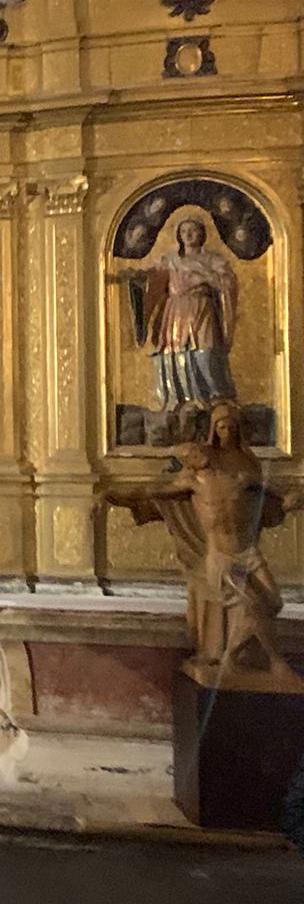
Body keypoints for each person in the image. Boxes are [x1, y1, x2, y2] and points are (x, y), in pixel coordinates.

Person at [105, 400, 301, 694]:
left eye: (231, 426)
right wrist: (113, 494)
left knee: (273, 602)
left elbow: (263, 489)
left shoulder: (244, 465)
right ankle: (275, 663)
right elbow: (149, 490)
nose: (226, 432)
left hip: (248, 552)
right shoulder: (192, 480)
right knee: (250, 605)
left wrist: (290, 498)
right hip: (221, 556)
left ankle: (232, 658)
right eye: (221, 426)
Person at [143, 216, 237, 413]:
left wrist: (204, 276)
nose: (188, 235)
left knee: (206, 352)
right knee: (176, 353)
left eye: (193, 230)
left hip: (202, 307)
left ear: (202, 234)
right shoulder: (170, 260)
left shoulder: (212, 260)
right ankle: (180, 398)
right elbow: (152, 280)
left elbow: (226, 283)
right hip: (175, 310)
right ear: (178, 235)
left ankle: (215, 397)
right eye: (184, 231)